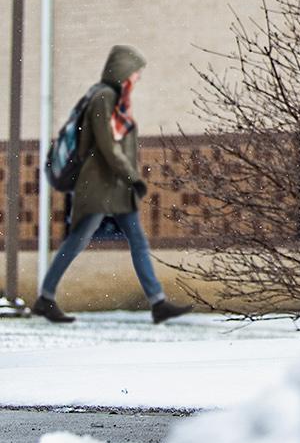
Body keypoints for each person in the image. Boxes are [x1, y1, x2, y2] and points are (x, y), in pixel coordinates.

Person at [30, 45, 193, 324]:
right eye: (135, 73)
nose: (137, 79)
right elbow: (107, 145)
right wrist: (133, 176)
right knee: (77, 240)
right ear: (122, 72)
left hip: (115, 186)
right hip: (98, 185)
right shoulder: (103, 98)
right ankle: (45, 298)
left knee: (137, 241)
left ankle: (158, 303)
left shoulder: (115, 100)